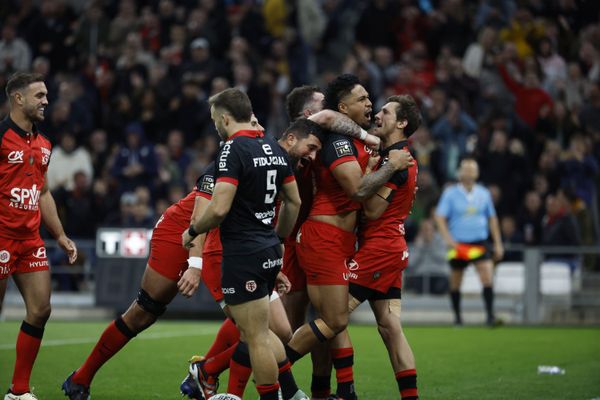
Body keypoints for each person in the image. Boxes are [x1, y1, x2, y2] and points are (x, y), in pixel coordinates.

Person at [60, 115, 309, 400]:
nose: (260, 128)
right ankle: (81, 378)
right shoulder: (237, 157)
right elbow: (202, 215)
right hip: (182, 232)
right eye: (311, 146)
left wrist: (271, 264)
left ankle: (213, 375)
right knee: (144, 312)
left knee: (269, 328)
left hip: (227, 244)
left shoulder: (278, 168)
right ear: (291, 136)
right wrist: (195, 262)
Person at [283, 74, 413, 400]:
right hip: (326, 237)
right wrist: (387, 163)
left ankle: (326, 391)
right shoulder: (340, 140)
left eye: (374, 101)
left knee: (336, 321)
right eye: (363, 99)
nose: (371, 105)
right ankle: (275, 373)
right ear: (343, 107)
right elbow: (357, 193)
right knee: (334, 319)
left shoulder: (364, 145)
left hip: (350, 242)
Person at [181, 88, 302, 400]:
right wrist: (278, 238)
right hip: (269, 249)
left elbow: (219, 209)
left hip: (242, 253)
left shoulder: (231, 150)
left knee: (256, 336)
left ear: (224, 118)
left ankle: (264, 395)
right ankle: (290, 394)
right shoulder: (275, 148)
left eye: (214, 120)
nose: (215, 126)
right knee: (265, 333)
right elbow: (294, 201)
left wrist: (193, 230)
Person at [0, 72, 77, 400]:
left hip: (29, 238)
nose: (46, 101)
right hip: (1, 236)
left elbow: (42, 191)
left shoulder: (44, 143)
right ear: (18, 98)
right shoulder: (1, 136)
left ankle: (18, 391)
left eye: (46, 95)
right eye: (40, 95)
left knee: (41, 308)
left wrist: (59, 233)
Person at [343, 95, 422, 400]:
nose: (377, 114)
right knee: (390, 328)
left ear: (402, 123)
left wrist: (372, 173)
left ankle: (281, 375)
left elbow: (373, 211)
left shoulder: (398, 159)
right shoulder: (394, 156)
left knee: (332, 316)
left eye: (386, 112)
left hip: (379, 250)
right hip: (392, 248)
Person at [434, 158, 504, 326]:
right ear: (460, 173)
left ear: (477, 173)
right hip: (458, 244)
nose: (469, 173)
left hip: (479, 242)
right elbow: (439, 217)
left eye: (472, 169)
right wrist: (448, 239)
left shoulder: (484, 193)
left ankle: (490, 316)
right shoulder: (450, 193)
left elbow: (492, 218)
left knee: (487, 277)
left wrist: (498, 243)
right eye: (466, 169)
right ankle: (458, 318)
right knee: (456, 281)